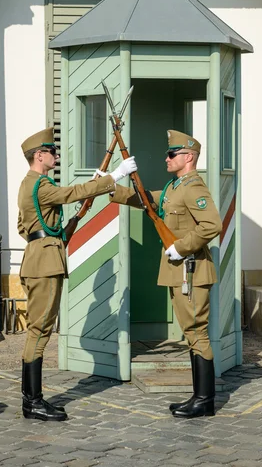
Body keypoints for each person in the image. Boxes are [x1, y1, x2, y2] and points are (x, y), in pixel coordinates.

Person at [17, 127, 137, 421]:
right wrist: (114, 177)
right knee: (40, 330)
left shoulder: (32, 185)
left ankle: (31, 400)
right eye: (52, 152)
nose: (56, 155)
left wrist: (74, 218)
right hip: (44, 264)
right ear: (39, 155)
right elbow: (70, 193)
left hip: (42, 257)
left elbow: (38, 227)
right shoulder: (39, 185)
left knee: (40, 329)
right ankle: (32, 401)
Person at [109, 129, 222, 418]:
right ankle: (198, 396)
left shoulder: (194, 187)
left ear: (188, 157)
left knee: (197, 333)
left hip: (192, 270)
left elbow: (212, 225)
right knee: (191, 333)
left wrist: (182, 248)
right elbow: (148, 200)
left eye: (171, 154)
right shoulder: (175, 187)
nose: (166, 158)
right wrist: (111, 186)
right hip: (182, 271)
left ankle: (204, 400)